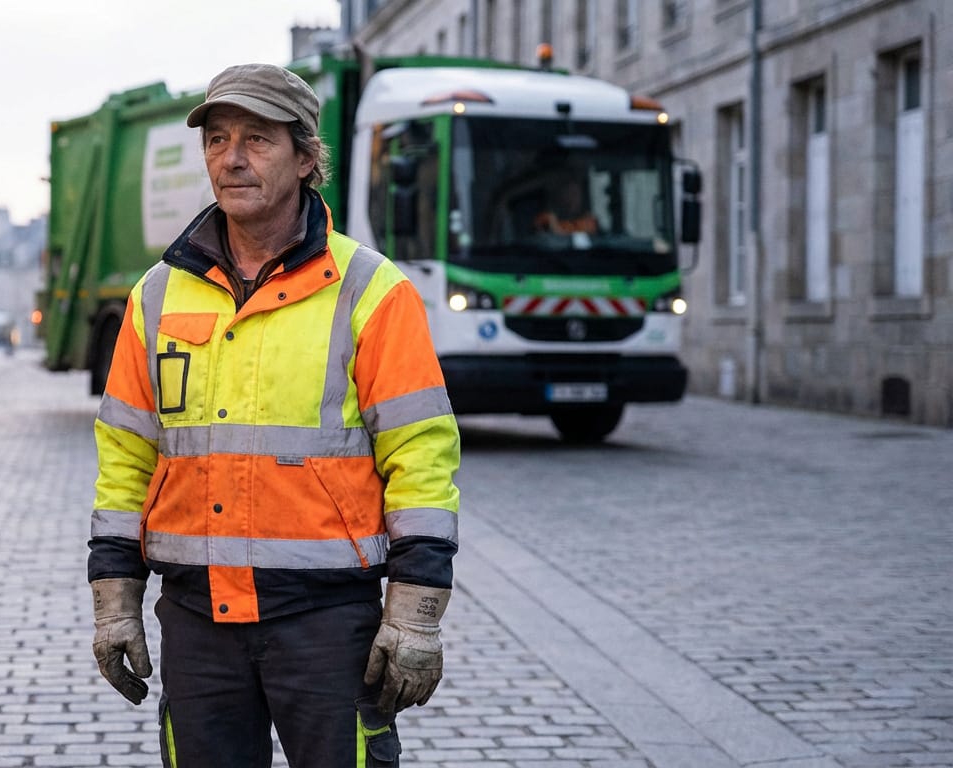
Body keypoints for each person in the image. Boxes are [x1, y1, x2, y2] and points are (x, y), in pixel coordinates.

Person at [87, 62, 461, 767]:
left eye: (257, 138)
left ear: (305, 155)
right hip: (196, 624)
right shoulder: (158, 296)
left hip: (326, 626)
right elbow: (125, 457)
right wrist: (114, 601)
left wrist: (415, 615)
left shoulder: (372, 293)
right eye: (218, 139)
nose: (231, 158)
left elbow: (422, 462)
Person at [534, 175, 599, 234]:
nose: (574, 198)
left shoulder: (589, 221)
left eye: (575, 194)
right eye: (570, 194)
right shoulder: (547, 217)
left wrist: (556, 227)